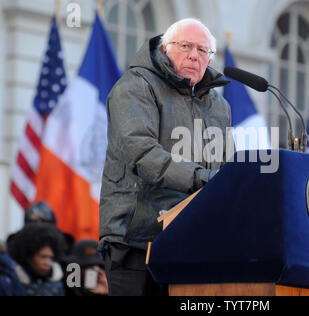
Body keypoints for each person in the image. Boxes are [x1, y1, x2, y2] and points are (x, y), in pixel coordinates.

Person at [99, 18, 232, 296]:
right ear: (164, 49)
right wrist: (201, 178)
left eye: (202, 50)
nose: (194, 55)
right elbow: (142, 152)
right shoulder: (135, 86)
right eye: (185, 46)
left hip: (191, 242)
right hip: (135, 238)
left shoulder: (219, 106)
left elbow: (223, 166)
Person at [7, 223, 67, 296]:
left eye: (50, 258)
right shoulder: (11, 282)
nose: (47, 263)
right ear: (28, 256)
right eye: (43, 257)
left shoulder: (58, 284)